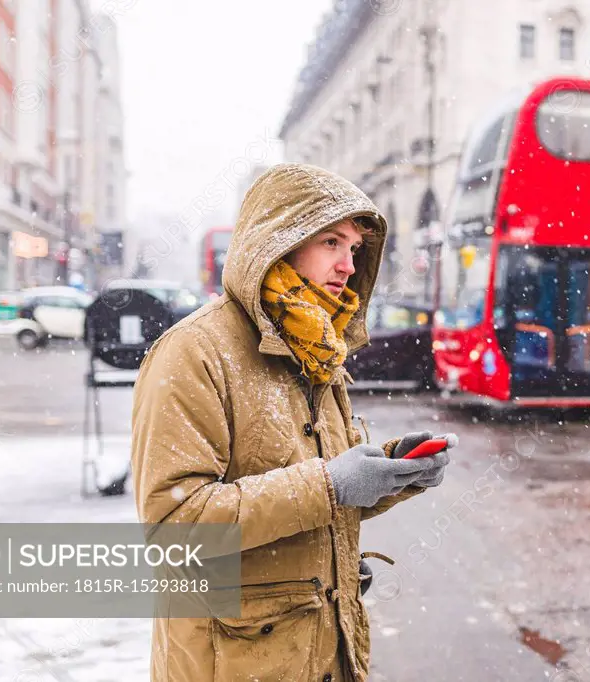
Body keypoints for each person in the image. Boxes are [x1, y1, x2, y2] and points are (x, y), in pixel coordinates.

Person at [130, 164, 455, 681]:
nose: (348, 265)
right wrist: (331, 484)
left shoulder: (317, 348)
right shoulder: (194, 352)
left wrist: (393, 471)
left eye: (354, 249)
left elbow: (321, 492)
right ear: (278, 241)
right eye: (331, 242)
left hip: (320, 653)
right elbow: (176, 527)